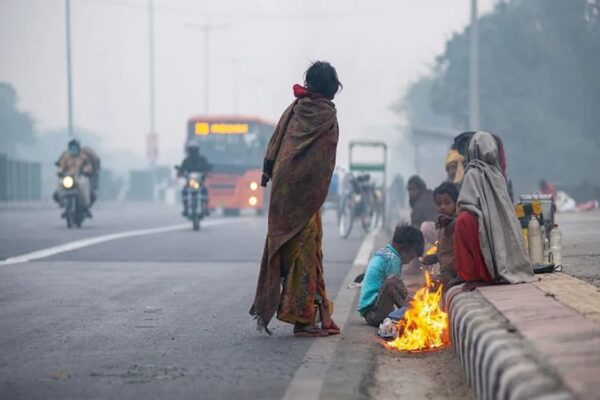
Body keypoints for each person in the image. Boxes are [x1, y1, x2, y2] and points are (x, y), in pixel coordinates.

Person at [250, 61, 342, 337]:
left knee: (299, 249)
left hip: (282, 192)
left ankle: (318, 313)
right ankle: (303, 320)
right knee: (306, 252)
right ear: (332, 87)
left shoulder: (295, 110)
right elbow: (323, 162)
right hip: (305, 195)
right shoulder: (327, 116)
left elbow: (278, 148)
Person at [454, 131, 535, 283]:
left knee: (463, 221)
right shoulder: (498, 175)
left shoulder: (472, 173)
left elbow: (466, 205)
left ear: (472, 149)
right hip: (496, 232)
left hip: (480, 230)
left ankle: (471, 274)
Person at [358, 224, 424, 327]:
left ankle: (410, 311)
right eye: (411, 256)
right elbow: (395, 286)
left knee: (397, 286)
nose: (410, 261)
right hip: (375, 314)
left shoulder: (384, 252)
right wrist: (410, 302)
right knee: (392, 282)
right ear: (403, 248)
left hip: (370, 312)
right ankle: (413, 314)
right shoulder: (393, 260)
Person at [422, 182, 461, 289]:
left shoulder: (458, 224)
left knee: (432, 287)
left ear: (456, 203)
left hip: (455, 274)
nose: (442, 207)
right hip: (446, 271)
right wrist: (434, 257)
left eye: (447, 203)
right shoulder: (442, 225)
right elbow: (445, 251)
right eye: (439, 204)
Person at [55, 139, 94, 216]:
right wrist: (60, 171)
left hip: (79, 176)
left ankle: (86, 204)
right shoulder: (66, 157)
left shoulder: (83, 157)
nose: (73, 149)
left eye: (75, 148)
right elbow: (61, 167)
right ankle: (63, 203)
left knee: (84, 183)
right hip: (68, 177)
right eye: (72, 148)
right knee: (59, 185)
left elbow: (88, 165)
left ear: (78, 148)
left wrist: (86, 170)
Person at [178, 143, 211, 216]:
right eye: (192, 150)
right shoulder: (186, 160)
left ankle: (205, 207)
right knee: (184, 191)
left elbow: (207, 168)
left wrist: (207, 172)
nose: (193, 152)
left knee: (204, 191)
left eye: (194, 150)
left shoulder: (202, 159)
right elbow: (181, 169)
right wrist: (180, 173)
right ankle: (186, 207)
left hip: (199, 182)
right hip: (190, 182)